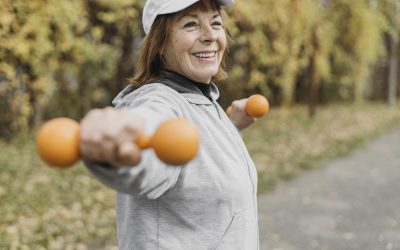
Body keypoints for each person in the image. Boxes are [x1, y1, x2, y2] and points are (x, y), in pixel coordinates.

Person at [80, 0, 260, 249]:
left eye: (215, 23)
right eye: (190, 24)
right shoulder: (158, 102)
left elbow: (199, 161)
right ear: (159, 44)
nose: (210, 36)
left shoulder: (199, 97)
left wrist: (232, 126)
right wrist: (119, 156)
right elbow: (150, 145)